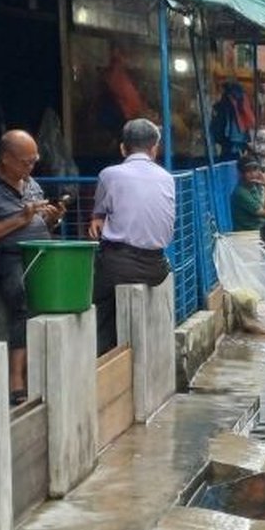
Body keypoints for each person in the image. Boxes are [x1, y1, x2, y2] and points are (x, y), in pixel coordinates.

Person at [0, 130, 66, 405]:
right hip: (7, 257)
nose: (31, 168)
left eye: (34, 161)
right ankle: (16, 377)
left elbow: (40, 223)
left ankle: (49, 366)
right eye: (26, 162)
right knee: (23, 298)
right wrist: (21, 219)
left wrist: (53, 220)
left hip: (41, 252)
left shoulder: (31, 183)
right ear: (6, 158)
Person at [89, 119, 175, 355]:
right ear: (154, 149)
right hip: (157, 267)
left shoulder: (109, 175)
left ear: (122, 148)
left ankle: (100, 360)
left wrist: (99, 219)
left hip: (119, 267)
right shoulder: (167, 178)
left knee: (96, 307)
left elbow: (98, 213)